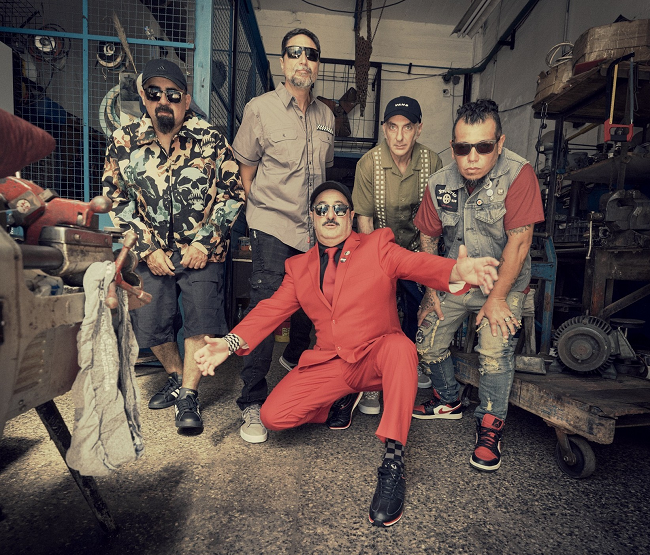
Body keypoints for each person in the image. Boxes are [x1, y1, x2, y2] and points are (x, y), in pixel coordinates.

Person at [194, 180, 500, 527]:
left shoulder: (378, 245)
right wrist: (230, 342)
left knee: (401, 347)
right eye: (322, 208)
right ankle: (342, 398)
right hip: (331, 362)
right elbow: (271, 310)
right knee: (273, 417)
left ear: (351, 216)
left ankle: (394, 461)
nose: (331, 214)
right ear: (312, 216)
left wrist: (455, 271)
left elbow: (415, 263)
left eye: (339, 208)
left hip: (377, 356)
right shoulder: (299, 268)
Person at [103, 58, 245, 431]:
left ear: (186, 99)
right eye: (154, 93)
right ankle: (177, 376)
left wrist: (204, 242)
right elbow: (116, 199)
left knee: (200, 321)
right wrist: (147, 248)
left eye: (172, 94)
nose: (163, 101)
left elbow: (232, 193)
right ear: (143, 96)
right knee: (149, 323)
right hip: (150, 252)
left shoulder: (211, 139)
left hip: (201, 252)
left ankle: (188, 397)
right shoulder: (123, 141)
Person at [412, 99, 545, 472]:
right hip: (457, 280)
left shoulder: (519, 174)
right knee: (425, 341)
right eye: (462, 148)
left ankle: (489, 424)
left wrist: (498, 297)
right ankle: (449, 399)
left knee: (494, 350)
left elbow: (520, 242)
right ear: (453, 146)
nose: (471, 157)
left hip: (504, 283)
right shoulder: (440, 183)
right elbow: (427, 235)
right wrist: (431, 291)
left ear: (499, 144)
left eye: (483, 147)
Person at [231, 28, 335, 443]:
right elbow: (246, 169)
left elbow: (323, 171)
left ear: (317, 64)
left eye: (311, 53)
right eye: (295, 52)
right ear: (282, 62)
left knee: (316, 303)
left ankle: (295, 361)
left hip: (314, 230)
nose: (303, 60)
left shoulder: (327, 117)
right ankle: (252, 402)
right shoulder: (259, 109)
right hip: (272, 224)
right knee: (267, 308)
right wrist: (257, 214)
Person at [352, 96, 443, 414]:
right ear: (384, 129)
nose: (400, 136)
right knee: (379, 312)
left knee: (418, 308)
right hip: (380, 250)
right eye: (393, 127)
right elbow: (364, 222)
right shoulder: (368, 164)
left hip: (417, 250)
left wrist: (430, 278)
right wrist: (372, 272)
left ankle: (409, 363)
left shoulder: (432, 163)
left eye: (407, 128)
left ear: (419, 129)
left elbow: (433, 223)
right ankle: (374, 381)